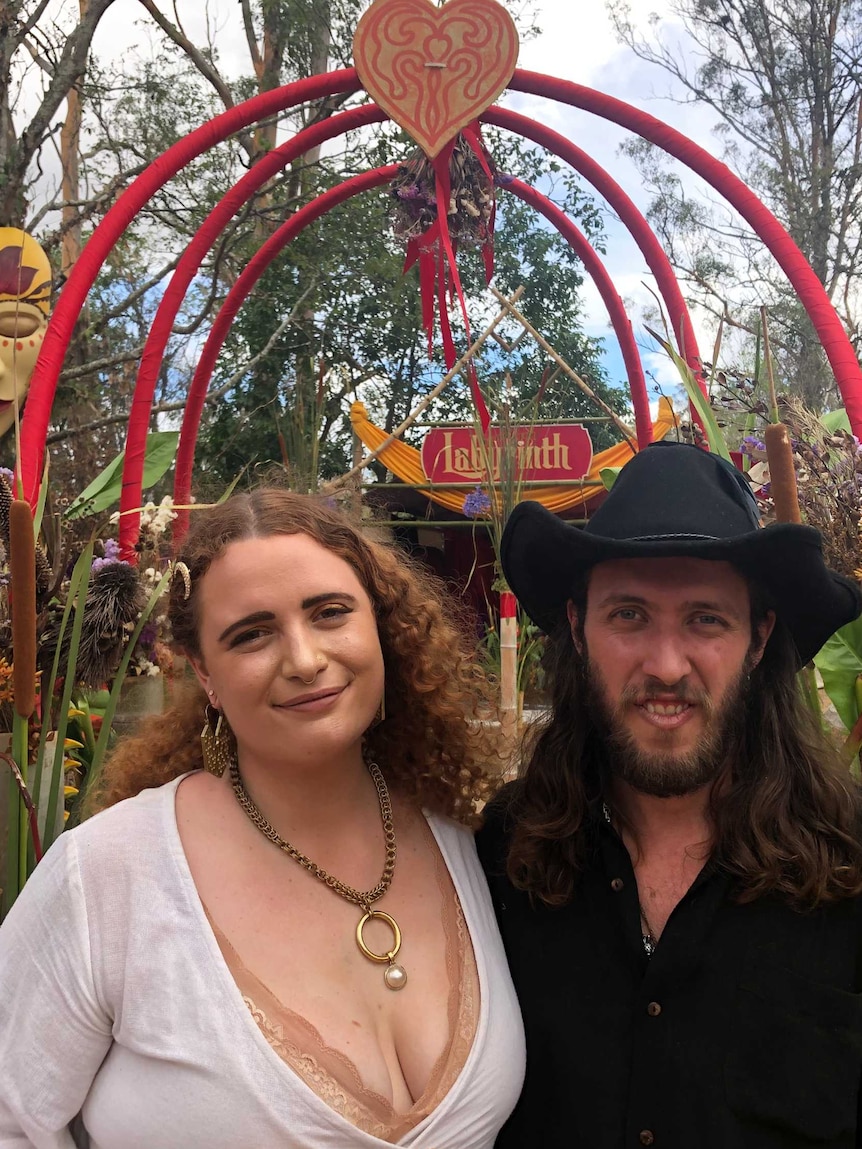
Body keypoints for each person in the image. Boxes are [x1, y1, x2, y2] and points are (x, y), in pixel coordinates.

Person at [0, 488, 525, 1148]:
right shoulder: (108, 874)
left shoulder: (465, 840)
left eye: (330, 613)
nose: (305, 660)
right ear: (206, 674)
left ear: (383, 629)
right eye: (251, 634)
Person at [477, 441, 862, 1149]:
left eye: (705, 618)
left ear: (758, 637)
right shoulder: (503, 857)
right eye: (628, 615)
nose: (664, 664)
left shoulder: (850, 866)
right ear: (577, 626)